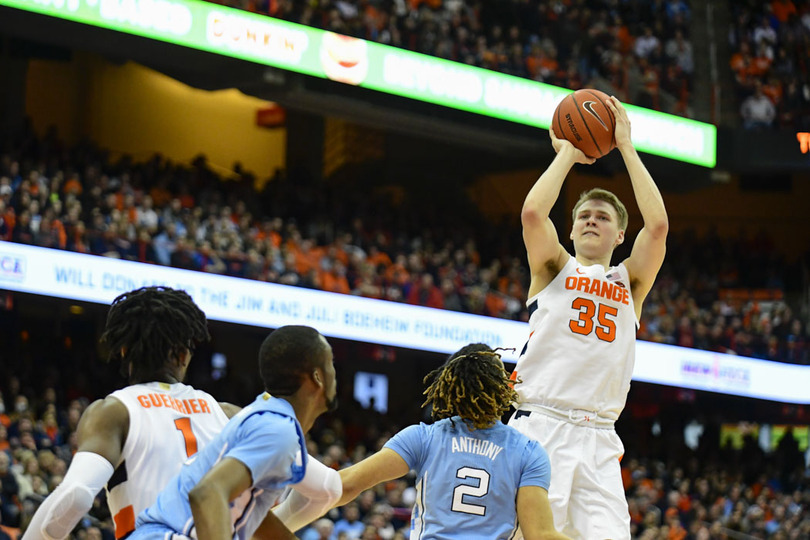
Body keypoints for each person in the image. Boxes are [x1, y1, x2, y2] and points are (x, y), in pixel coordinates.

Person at [509, 95, 668, 539]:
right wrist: (565, 156)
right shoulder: (554, 267)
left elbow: (657, 228)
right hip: (540, 422)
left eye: (602, 216)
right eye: (583, 216)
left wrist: (627, 148)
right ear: (572, 227)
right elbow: (532, 213)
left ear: (620, 233)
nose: (590, 221)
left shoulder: (630, 282)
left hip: (599, 436)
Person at [278, 344, 569, 539]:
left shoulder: (424, 437)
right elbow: (540, 535)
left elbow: (347, 483)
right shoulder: (528, 452)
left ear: (449, 387)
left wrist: (277, 515)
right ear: (502, 387)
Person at [23, 286, 238, 540]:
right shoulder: (228, 415)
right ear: (182, 355)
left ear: (123, 351)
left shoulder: (114, 412)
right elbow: (282, 500)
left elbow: (76, 496)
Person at [131, 325, 341, 540]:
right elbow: (208, 493)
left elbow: (252, 516)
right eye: (330, 364)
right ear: (317, 377)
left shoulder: (265, 416)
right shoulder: (278, 431)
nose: (335, 373)